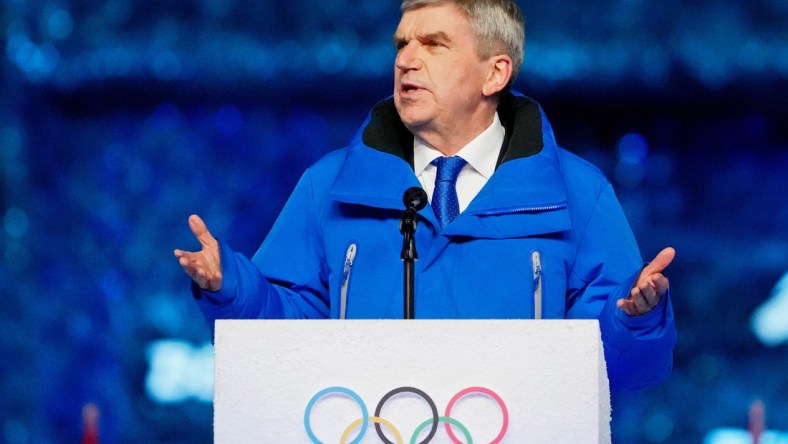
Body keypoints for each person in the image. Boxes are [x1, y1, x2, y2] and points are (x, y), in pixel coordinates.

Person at [174, 0, 676, 392]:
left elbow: (622, 372)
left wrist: (633, 320)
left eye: (434, 44)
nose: (407, 61)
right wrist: (232, 287)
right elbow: (288, 335)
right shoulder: (327, 185)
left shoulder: (579, 193)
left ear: (494, 73)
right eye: (402, 44)